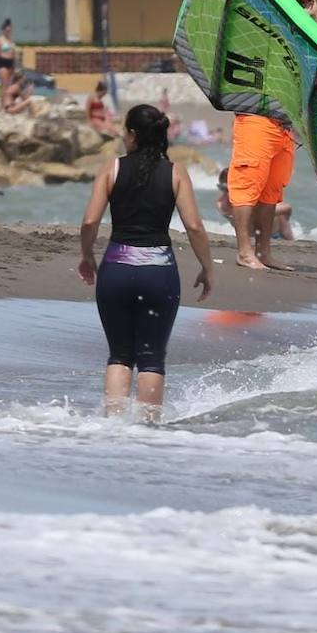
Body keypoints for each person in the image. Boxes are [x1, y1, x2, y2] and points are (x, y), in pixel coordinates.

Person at [78, 103, 213, 422]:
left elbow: (89, 221)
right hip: (159, 273)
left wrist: (87, 255)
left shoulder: (111, 168)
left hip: (116, 270)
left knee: (120, 355)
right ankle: (147, 434)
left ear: (133, 135)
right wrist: (207, 266)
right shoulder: (175, 172)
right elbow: (194, 226)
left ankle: (113, 428)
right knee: (151, 359)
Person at [227, 112, 297, 270]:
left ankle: (263, 253)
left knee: (270, 192)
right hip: (256, 121)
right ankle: (244, 253)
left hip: (284, 126)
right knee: (246, 187)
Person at [217, 167, 294, 242]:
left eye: (231, 189)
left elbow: (287, 208)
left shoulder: (254, 201)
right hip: (251, 238)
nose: (227, 194)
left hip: (276, 235)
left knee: (281, 218)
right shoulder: (222, 204)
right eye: (223, 189)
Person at [0, 19, 16, 102]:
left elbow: (13, 54)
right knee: (5, 83)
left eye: (10, 31)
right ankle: (3, 103)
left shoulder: (11, 41)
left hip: (10, 63)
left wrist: (14, 65)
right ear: (3, 30)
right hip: (2, 62)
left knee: (7, 84)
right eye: (7, 30)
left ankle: (2, 101)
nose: (9, 32)